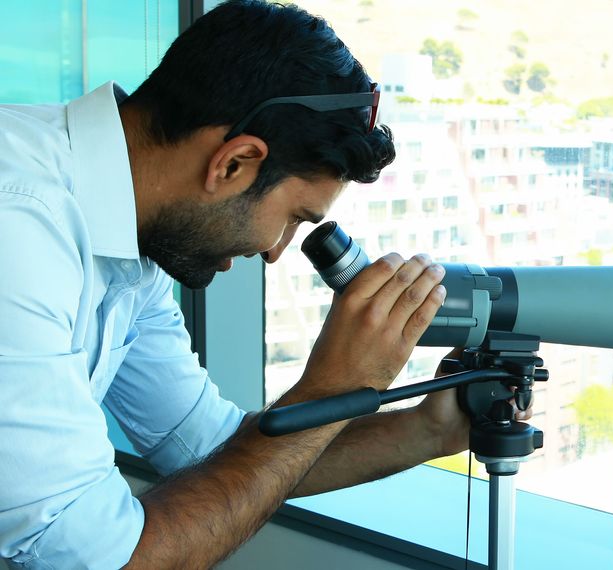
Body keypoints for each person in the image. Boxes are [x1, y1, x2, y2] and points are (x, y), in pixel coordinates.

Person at [0, 1, 520, 567]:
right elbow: (98, 559)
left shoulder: (132, 230)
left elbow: (207, 447)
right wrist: (334, 388)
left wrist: (429, 428)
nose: (275, 252)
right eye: (296, 216)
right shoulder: (21, 224)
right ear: (234, 163)